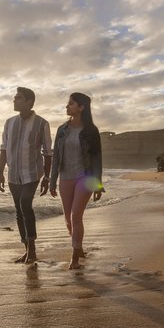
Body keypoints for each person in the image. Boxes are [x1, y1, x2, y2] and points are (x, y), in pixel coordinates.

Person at [0, 87, 52, 264]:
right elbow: (4, 149)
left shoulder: (42, 123)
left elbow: (48, 152)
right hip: (13, 174)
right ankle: (27, 249)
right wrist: (0, 174)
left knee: (25, 203)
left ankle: (33, 248)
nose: (14, 100)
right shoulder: (9, 122)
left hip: (33, 173)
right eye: (15, 98)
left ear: (29, 101)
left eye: (18, 98)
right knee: (19, 211)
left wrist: (47, 177)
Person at [49, 92, 104, 269]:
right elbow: (56, 156)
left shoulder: (91, 131)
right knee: (67, 218)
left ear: (81, 107)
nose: (67, 106)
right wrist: (52, 180)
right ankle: (78, 246)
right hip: (65, 176)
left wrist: (98, 185)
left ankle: (75, 257)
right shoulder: (62, 130)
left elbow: (97, 159)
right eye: (68, 103)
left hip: (85, 177)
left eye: (71, 104)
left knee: (76, 215)